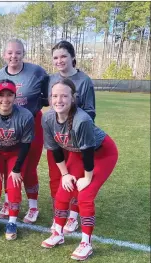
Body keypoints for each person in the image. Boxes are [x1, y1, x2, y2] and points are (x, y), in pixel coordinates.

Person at [40, 78, 118, 261]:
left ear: (73, 98)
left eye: (64, 96)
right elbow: (54, 149)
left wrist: (87, 178)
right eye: (55, 96)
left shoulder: (81, 120)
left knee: (85, 195)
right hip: (76, 152)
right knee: (63, 191)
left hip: (102, 154)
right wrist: (65, 174)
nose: (58, 100)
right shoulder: (48, 118)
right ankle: (58, 233)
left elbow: (89, 153)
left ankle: (86, 243)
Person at [0, 38, 49, 223]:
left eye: (17, 52)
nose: (13, 56)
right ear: (4, 55)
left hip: (32, 123)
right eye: (9, 52)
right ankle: (9, 201)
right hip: (8, 125)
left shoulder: (37, 71)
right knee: (9, 167)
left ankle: (33, 207)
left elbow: (50, 92)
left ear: (23, 54)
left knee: (30, 168)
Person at [47, 40, 96, 233]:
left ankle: (73, 216)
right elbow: (51, 106)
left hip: (75, 139)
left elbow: (91, 112)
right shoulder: (51, 79)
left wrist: (74, 126)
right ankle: (59, 211)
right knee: (56, 174)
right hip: (57, 136)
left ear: (73, 57)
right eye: (56, 57)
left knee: (75, 175)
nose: (59, 61)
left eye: (63, 56)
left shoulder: (84, 81)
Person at [0, 79, 35, 240]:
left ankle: (12, 221)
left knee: (13, 185)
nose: (5, 99)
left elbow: (26, 145)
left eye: (9, 94)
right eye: (1, 95)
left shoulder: (25, 115)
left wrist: (17, 169)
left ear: (15, 96)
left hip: (15, 153)